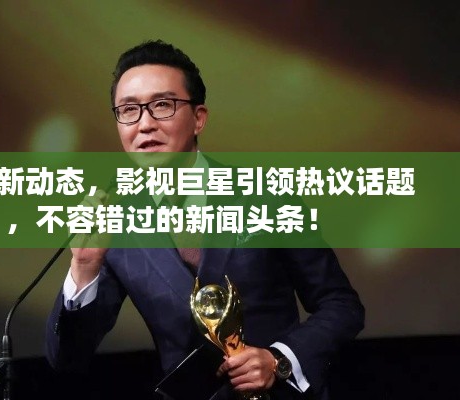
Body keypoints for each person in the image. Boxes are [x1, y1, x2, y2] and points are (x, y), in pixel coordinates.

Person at [45, 40, 364, 400]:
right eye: (129, 110)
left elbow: (342, 305)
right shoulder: (115, 221)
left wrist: (279, 360)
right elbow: (67, 359)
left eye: (162, 105)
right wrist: (83, 268)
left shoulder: (265, 195)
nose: (145, 124)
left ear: (199, 118)